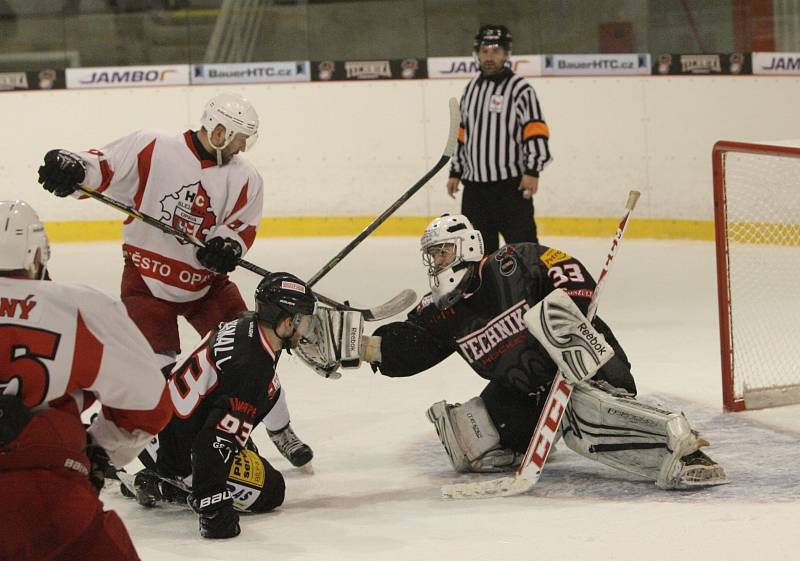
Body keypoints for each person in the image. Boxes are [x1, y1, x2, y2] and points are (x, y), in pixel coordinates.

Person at [297, 214, 728, 489]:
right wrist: (360, 347)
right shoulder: (441, 314)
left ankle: (680, 445)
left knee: (587, 416)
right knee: (466, 439)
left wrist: (569, 310)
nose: (437, 262)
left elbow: (570, 272)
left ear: (467, 246)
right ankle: (528, 437)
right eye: (432, 254)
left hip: (586, 366)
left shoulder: (511, 264)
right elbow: (408, 351)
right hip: (526, 393)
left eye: (443, 250)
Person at [36, 91, 313, 468]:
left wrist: (228, 246)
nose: (243, 146)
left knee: (255, 355)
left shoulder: (246, 177)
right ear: (217, 131)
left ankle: (281, 428)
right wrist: (72, 167)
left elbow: (241, 227)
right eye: (238, 137)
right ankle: (165, 453)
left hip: (207, 286)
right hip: (146, 284)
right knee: (156, 374)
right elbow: (102, 168)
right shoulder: (152, 146)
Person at [0, 200, 173, 561]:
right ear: (36, 256)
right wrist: (99, 450)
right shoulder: (79, 307)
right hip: (51, 501)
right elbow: (149, 404)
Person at [122, 272, 316, 539]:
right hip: (174, 454)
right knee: (273, 490)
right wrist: (212, 506)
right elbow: (212, 444)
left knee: (267, 391)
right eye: (303, 321)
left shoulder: (245, 321)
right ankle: (167, 485)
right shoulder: (252, 369)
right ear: (285, 322)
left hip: (157, 425)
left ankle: (178, 470)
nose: (306, 330)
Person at [447, 24, 552, 255]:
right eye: (485, 51)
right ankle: (486, 293)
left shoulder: (520, 89)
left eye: (495, 51)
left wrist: (533, 170)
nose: (489, 57)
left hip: (510, 188)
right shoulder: (471, 89)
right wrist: (456, 171)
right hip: (474, 190)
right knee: (478, 253)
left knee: (524, 250)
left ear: (506, 54)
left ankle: (531, 291)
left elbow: (534, 130)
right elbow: (463, 133)